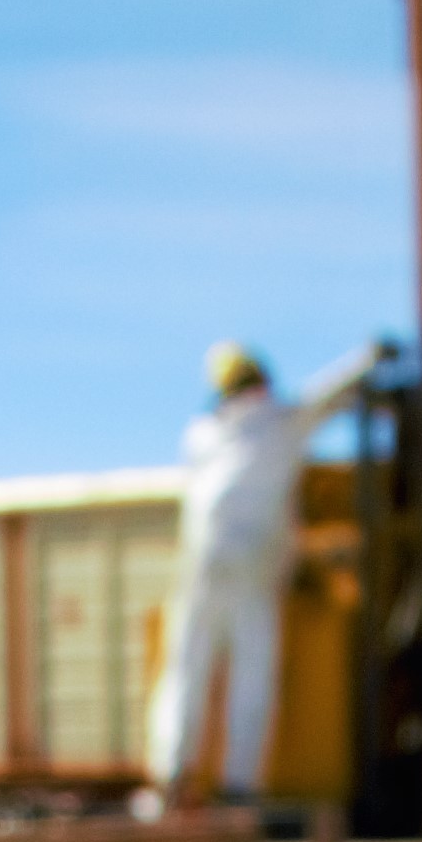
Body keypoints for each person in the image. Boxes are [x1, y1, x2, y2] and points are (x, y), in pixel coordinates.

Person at [146, 338, 390, 801]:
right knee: (252, 670)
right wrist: (370, 360)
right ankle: (239, 785)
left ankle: (172, 775)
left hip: (202, 560)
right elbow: (331, 393)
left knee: (186, 667)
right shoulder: (280, 421)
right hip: (253, 564)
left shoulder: (202, 433)